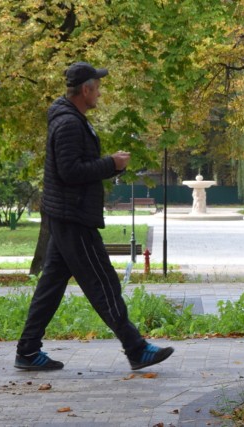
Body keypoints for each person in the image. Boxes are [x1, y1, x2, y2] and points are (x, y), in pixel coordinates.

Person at [15, 62, 173, 371]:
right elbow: (69, 171)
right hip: (73, 217)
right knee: (103, 283)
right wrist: (110, 165)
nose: (100, 92)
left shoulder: (71, 119)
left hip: (67, 214)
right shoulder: (70, 124)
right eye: (97, 87)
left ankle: (28, 351)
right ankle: (136, 348)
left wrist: (107, 163)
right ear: (85, 90)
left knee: (50, 286)